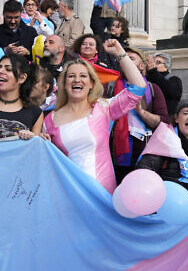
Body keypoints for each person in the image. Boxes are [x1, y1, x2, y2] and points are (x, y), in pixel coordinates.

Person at [43, 40, 146, 193]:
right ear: (64, 84)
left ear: (91, 83)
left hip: (102, 195)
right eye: (71, 76)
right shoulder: (49, 121)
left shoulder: (103, 108)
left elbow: (138, 87)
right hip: (70, 195)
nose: (77, 80)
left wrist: (119, 53)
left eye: (83, 76)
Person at [112, 46, 170, 183]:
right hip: (114, 152)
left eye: (131, 59)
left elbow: (164, 122)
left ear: (142, 65)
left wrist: (141, 112)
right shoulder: (110, 87)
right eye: (123, 58)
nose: (125, 61)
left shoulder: (153, 88)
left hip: (143, 153)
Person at [136, 98, 188, 193]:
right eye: (185, 113)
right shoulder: (164, 138)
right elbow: (144, 170)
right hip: (163, 199)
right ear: (176, 118)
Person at [146, 52, 182, 116]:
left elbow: (168, 90)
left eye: (158, 62)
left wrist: (153, 71)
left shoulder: (174, 80)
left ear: (166, 67)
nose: (153, 65)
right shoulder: (147, 78)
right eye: (152, 62)